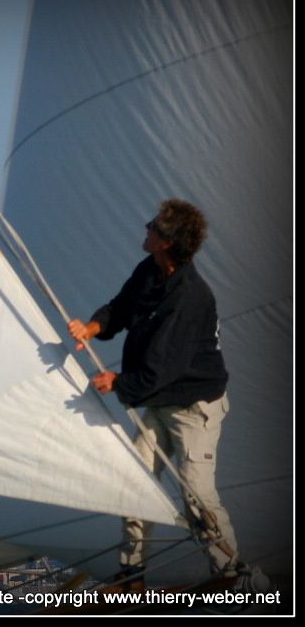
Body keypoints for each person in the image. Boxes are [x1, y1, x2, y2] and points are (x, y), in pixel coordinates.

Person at [67, 199, 243, 590]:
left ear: (167, 242)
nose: (145, 228)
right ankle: (132, 576)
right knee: (136, 481)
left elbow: (166, 366)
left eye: (153, 227)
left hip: (193, 408)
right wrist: (93, 328)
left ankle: (234, 577)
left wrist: (118, 383)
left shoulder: (190, 297)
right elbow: (121, 307)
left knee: (196, 494)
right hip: (159, 399)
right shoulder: (150, 271)